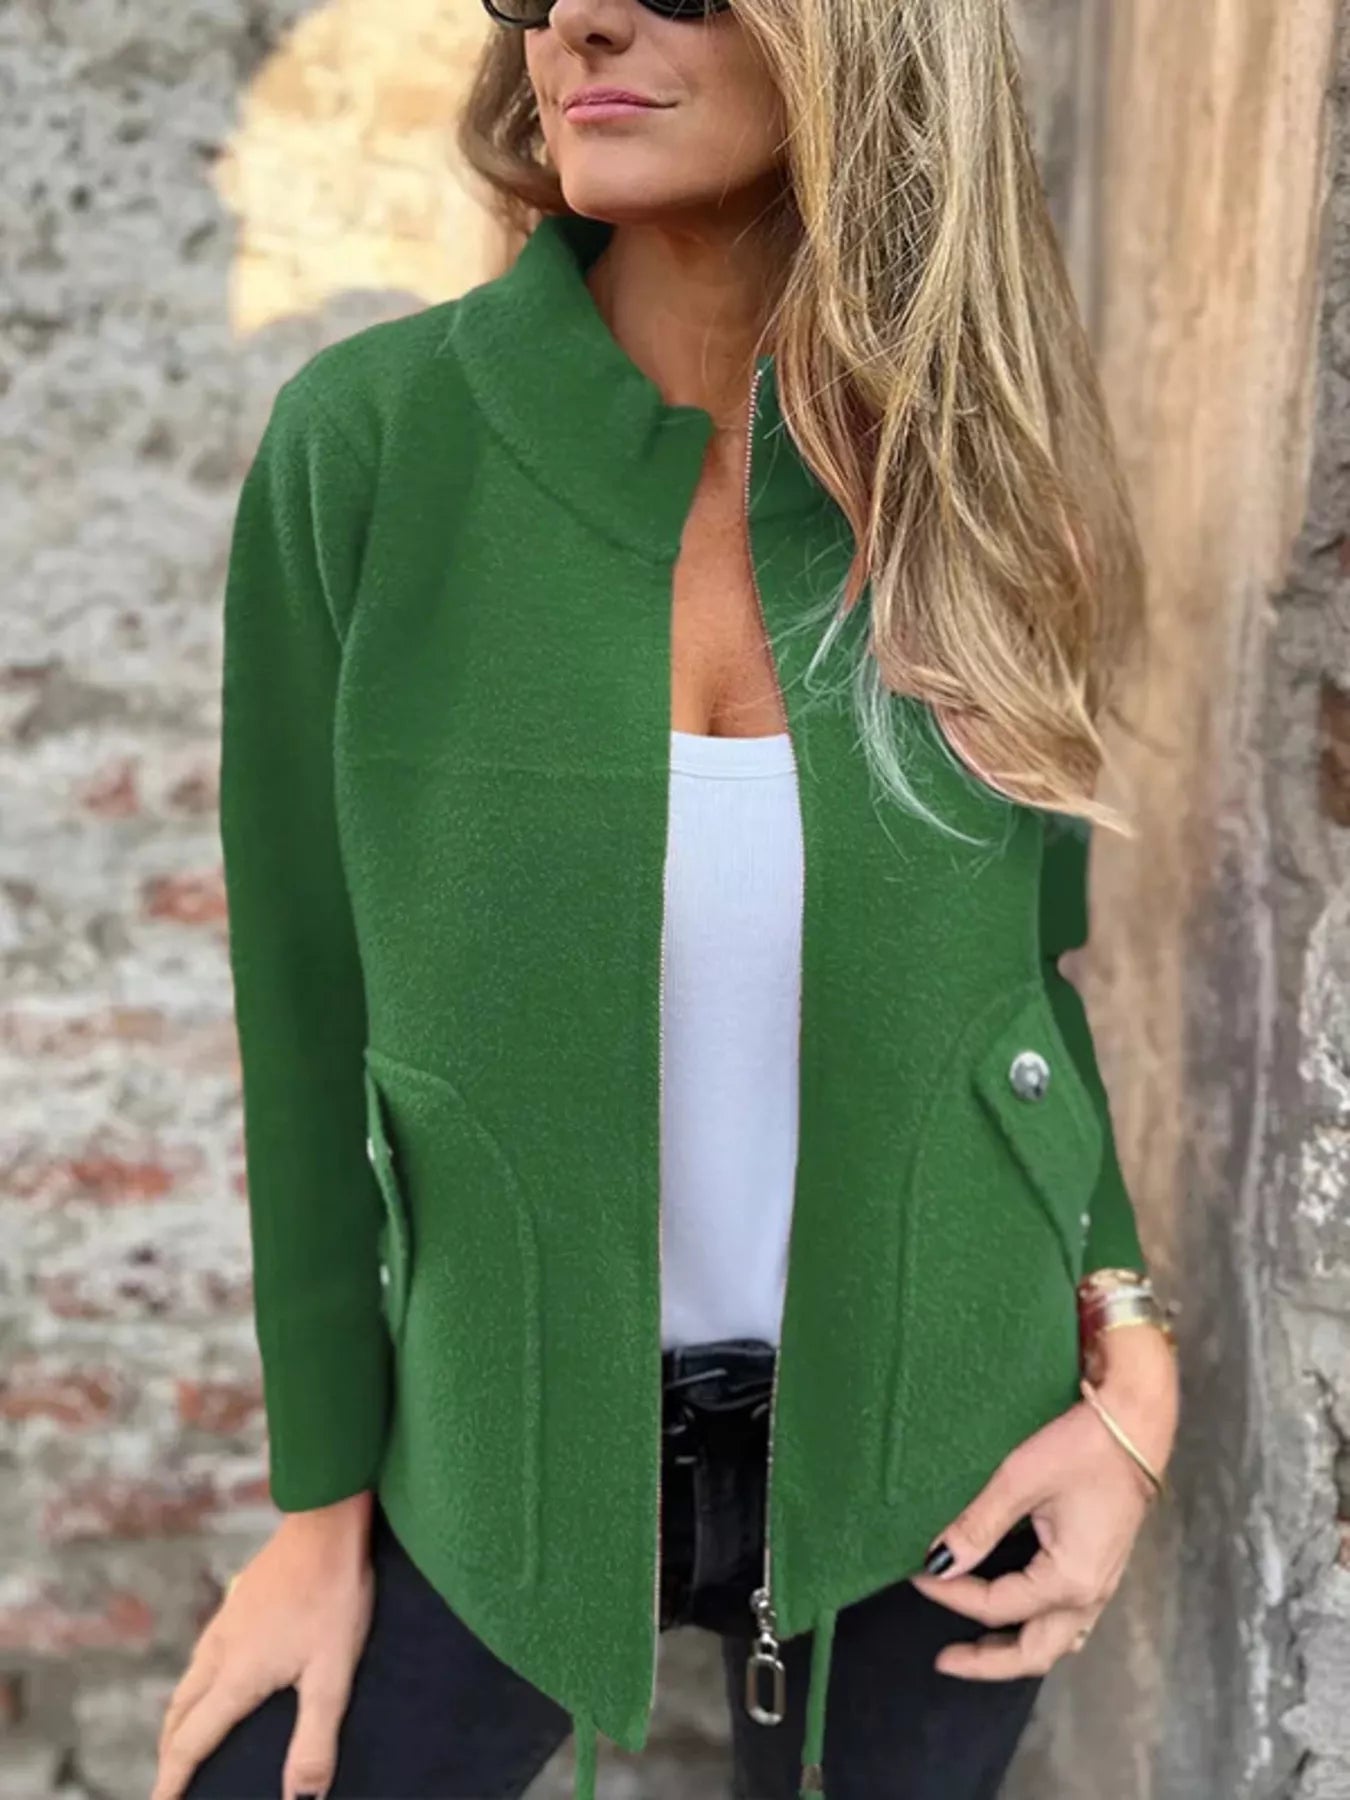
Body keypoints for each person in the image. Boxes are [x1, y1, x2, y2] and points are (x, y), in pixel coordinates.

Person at [154, 0, 1182, 1794]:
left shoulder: (981, 482)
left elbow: (1031, 989)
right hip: (502, 1445)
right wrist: (319, 1517)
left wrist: (1131, 1369)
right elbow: (302, 1029)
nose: (581, 19)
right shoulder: (372, 451)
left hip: (943, 1451)